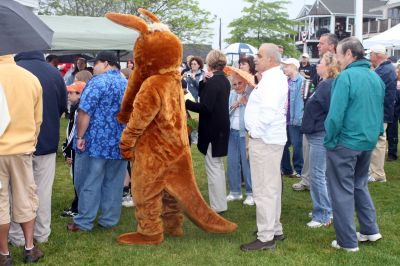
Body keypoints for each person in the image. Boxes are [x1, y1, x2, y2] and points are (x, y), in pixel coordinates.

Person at [324, 37, 384, 252]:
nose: (337, 60)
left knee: (341, 190)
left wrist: (330, 140)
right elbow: (380, 110)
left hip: (346, 143)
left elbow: (335, 115)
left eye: (339, 55)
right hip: (366, 142)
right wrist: (376, 133)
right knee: (359, 185)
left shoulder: (346, 77)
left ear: (349, 54)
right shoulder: (374, 77)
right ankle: (369, 230)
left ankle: (347, 241)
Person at [9, 51, 67, 247]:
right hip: (46, 140)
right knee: (42, 190)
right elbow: (62, 106)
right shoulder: (54, 73)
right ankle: (42, 233)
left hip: (15, 143)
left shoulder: (12, 72)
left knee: (14, 190)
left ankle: (16, 236)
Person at [67, 51, 128, 232]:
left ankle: (84, 221)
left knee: (89, 181)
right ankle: (109, 219)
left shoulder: (97, 82)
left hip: (95, 142)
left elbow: (84, 112)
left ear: (106, 63)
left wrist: (79, 137)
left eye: (97, 63)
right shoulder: (126, 84)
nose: (95, 67)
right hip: (120, 141)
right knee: (114, 182)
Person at [241, 43, 287, 251]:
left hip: (265, 140)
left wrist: (255, 133)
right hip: (269, 139)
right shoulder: (272, 79)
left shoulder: (273, 80)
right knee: (271, 187)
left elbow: (267, 113)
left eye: (259, 55)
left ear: (270, 60)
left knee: (264, 190)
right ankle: (274, 229)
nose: (255, 59)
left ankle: (266, 236)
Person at [0, 54, 44, 264]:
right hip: (22, 149)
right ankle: (29, 248)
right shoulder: (30, 78)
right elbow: (38, 120)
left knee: (0, 202)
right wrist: (30, 142)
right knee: (26, 198)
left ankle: (4, 253)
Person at [185, 50, 231, 213]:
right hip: (220, 127)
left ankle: (217, 206)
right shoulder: (223, 79)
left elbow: (205, 107)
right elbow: (208, 98)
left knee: (214, 168)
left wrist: (185, 102)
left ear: (210, 63)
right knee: (216, 166)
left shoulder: (215, 81)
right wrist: (204, 82)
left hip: (213, 129)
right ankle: (219, 203)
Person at [293, 32, 338, 192]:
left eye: (321, 43)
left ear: (331, 46)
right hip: (314, 125)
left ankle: (324, 211)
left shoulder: (332, 80)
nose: (317, 45)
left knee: (321, 171)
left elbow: (331, 108)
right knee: (311, 160)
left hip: (321, 128)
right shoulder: (320, 73)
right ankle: (307, 181)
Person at [301, 52, 340, 228]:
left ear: (329, 66)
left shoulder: (328, 86)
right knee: (321, 174)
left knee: (317, 175)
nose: (317, 65)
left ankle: (323, 214)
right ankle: (325, 208)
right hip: (317, 133)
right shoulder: (324, 84)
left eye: (320, 62)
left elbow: (331, 112)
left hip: (320, 134)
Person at [368, 45, 397, 183]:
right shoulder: (386, 68)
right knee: (378, 141)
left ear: (377, 55)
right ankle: (374, 171)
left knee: (378, 142)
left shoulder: (384, 70)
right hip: (382, 111)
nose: (369, 58)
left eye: (371, 55)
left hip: (381, 112)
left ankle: (378, 173)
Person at [226, 73, 253, 206]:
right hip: (232, 132)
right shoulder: (231, 94)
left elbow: (255, 113)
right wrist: (235, 104)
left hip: (246, 134)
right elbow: (226, 112)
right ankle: (235, 192)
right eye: (234, 84)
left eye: (239, 83)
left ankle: (251, 193)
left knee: (247, 164)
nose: (237, 87)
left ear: (246, 83)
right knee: (232, 162)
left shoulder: (252, 94)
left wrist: (245, 103)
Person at [61, 81, 86, 218]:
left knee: (78, 181)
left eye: (72, 93)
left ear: (80, 94)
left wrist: (68, 152)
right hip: (77, 150)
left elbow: (73, 134)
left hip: (76, 151)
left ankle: (77, 208)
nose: (69, 96)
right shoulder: (77, 108)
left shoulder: (78, 110)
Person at [281, 58, 304, 178]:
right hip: (286, 118)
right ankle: (286, 169)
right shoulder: (286, 80)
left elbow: (301, 102)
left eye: (287, 66)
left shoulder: (301, 81)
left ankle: (299, 170)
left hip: (295, 119)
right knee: (284, 143)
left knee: (297, 145)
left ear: (294, 67)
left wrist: (298, 119)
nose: (284, 68)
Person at [387, 64, 400, 161]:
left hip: (395, 108)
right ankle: (392, 154)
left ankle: (392, 153)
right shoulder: (393, 82)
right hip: (393, 109)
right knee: (392, 131)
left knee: (393, 131)